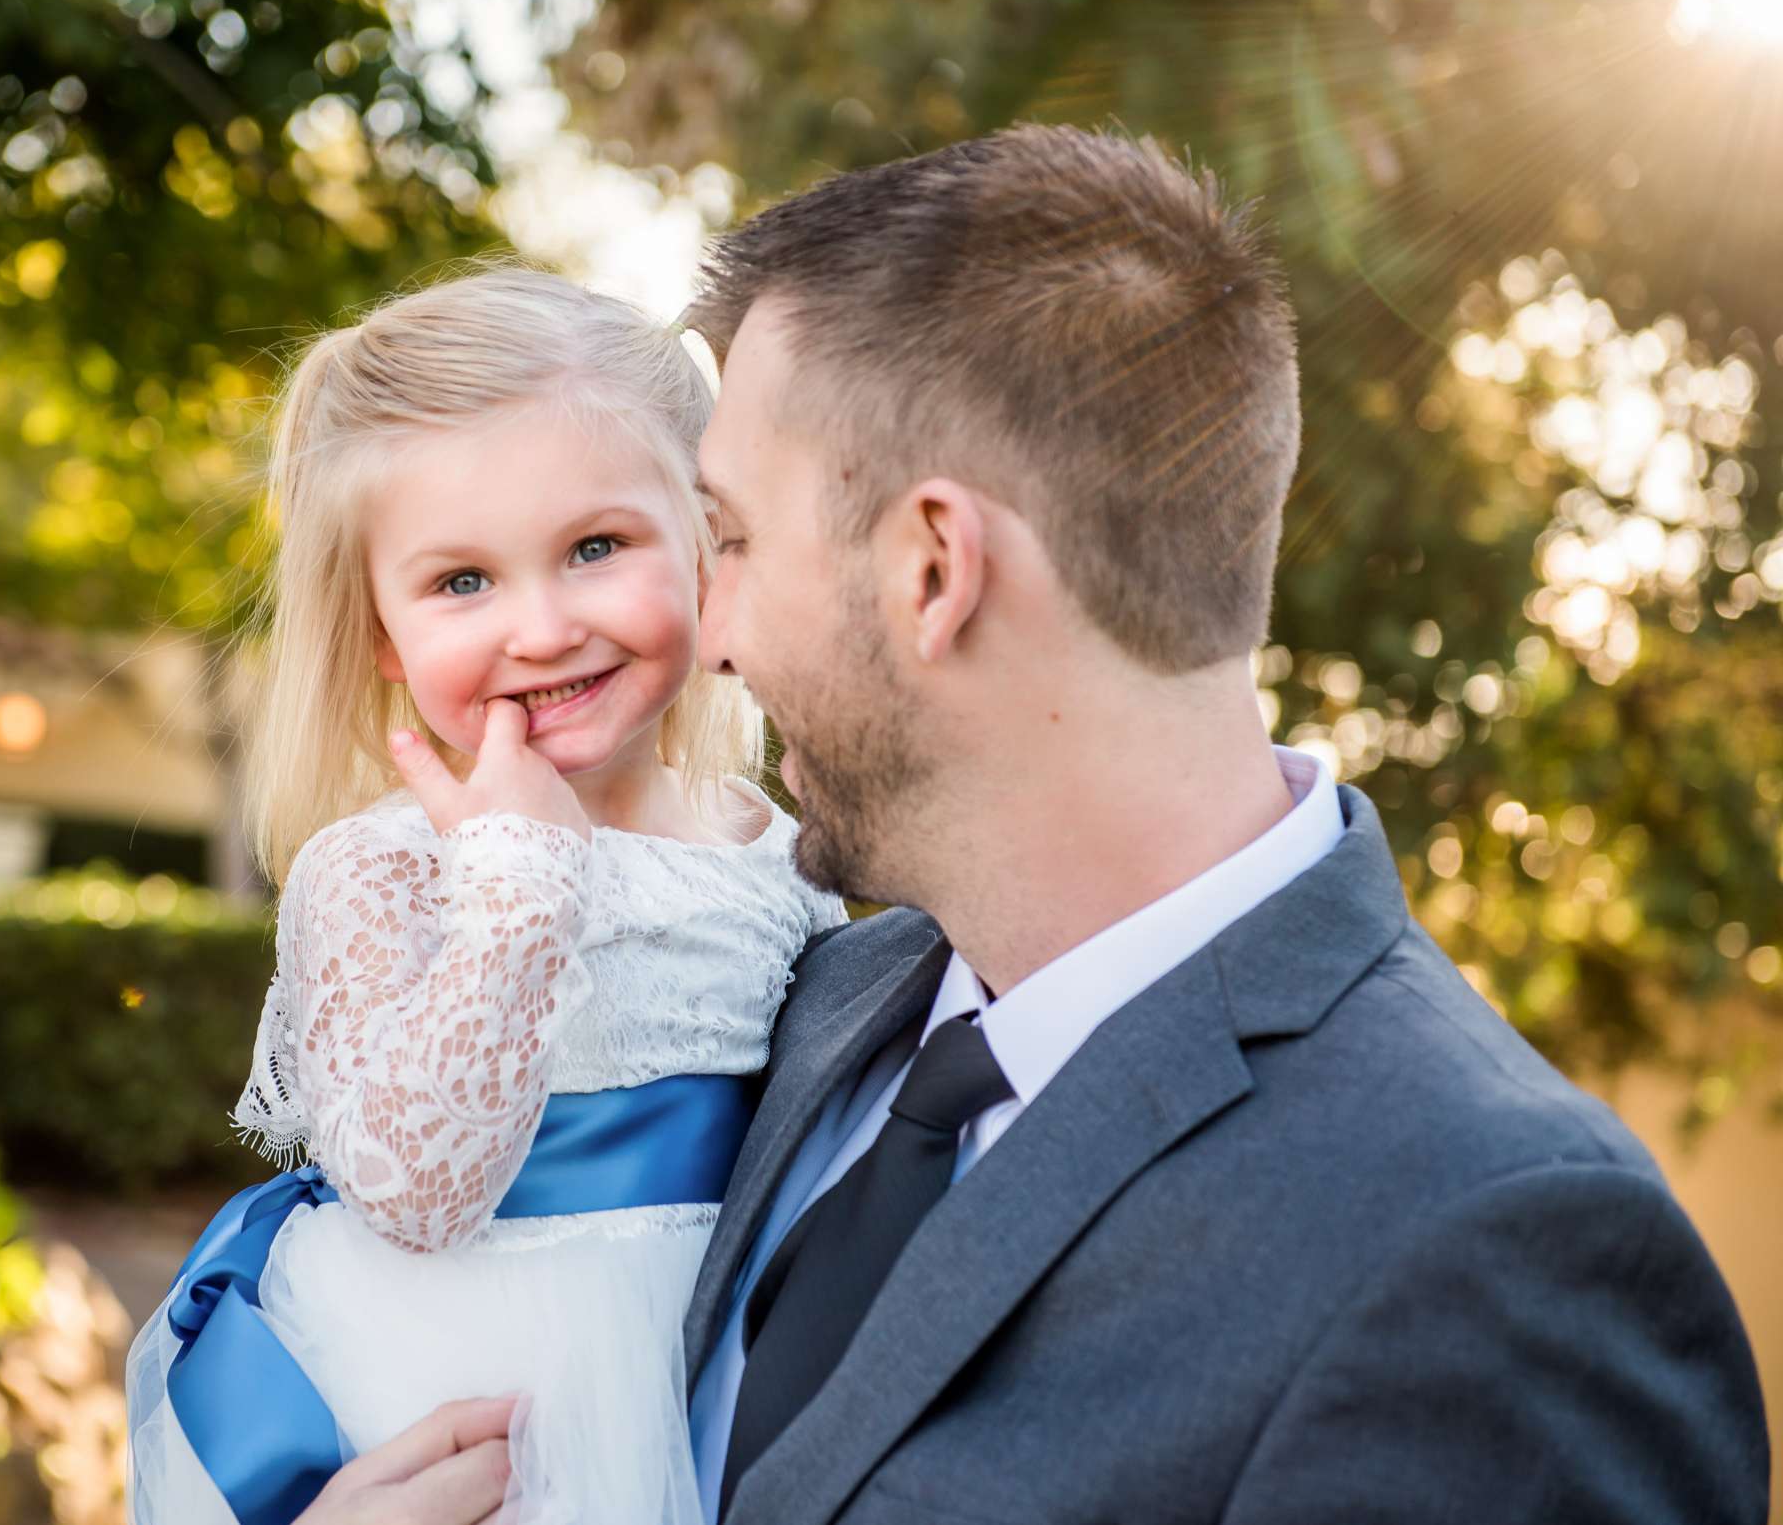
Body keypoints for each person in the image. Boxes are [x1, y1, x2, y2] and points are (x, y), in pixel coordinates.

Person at [299, 126, 1770, 1524]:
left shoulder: (1492, 1257)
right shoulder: (816, 1006)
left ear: (934, 567)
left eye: (730, 538)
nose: (711, 630)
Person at [124, 268, 847, 1525]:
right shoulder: (385, 868)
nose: (541, 626)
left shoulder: (774, 855)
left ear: (703, 549)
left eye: (595, 548)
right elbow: (414, 1188)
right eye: (463, 582)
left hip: (704, 1379)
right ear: (386, 642)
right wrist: (516, 886)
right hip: (449, 1401)